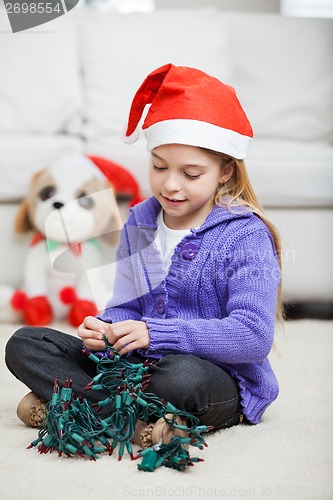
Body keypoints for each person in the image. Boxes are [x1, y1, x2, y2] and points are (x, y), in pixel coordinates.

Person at [5, 63, 282, 447]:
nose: (170, 184)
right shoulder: (140, 220)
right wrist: (105, 330)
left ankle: (78, 406)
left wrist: (155, 333)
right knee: (26, 344)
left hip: (214, 376)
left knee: (182, 377)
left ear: (225, 172)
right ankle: (133, 419)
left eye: (191, 173)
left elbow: (253, 336)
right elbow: (125, 307)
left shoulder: (245, 236)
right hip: (136, 368)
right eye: (159, 166)